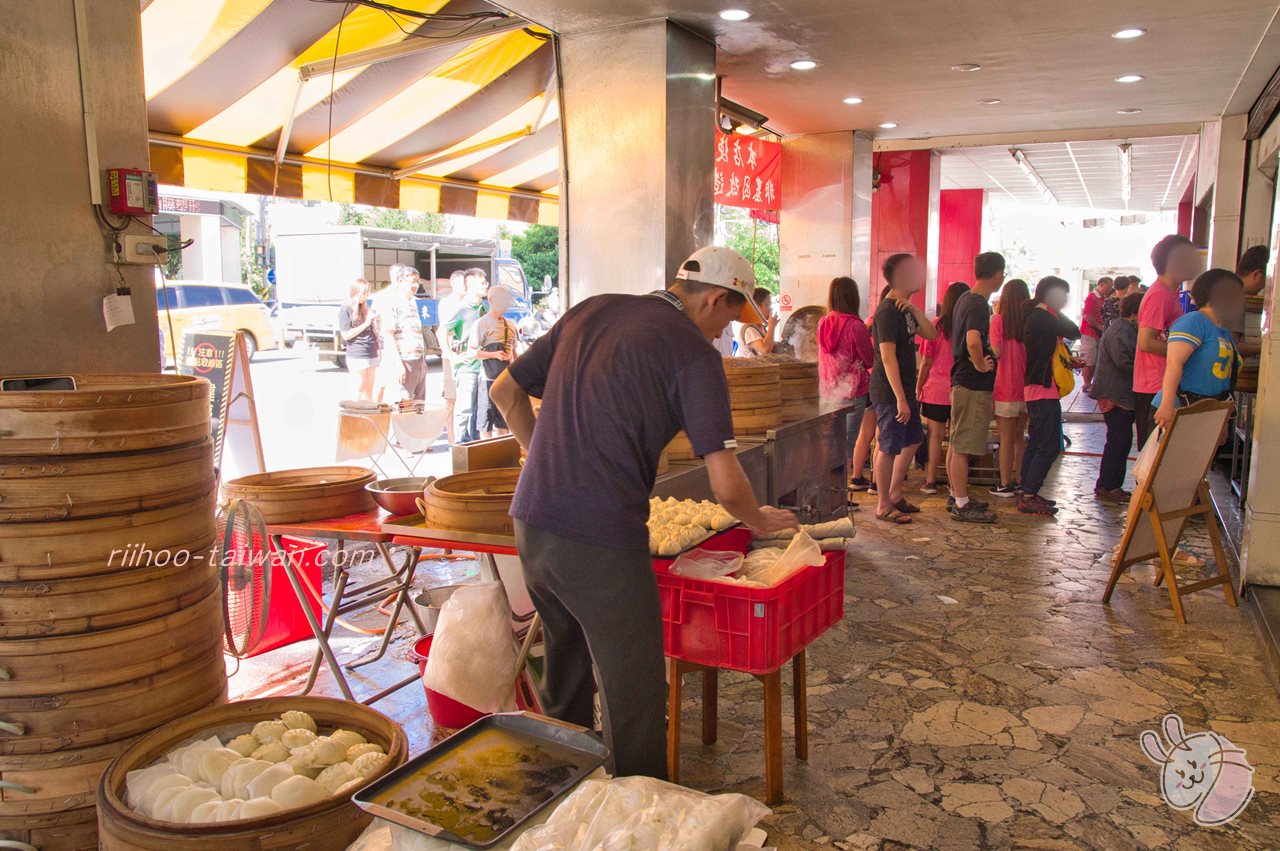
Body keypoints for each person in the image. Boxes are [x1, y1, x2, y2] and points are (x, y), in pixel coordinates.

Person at [490, 246, 799, 779]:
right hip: (600, 537)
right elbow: (726, 480)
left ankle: (561, 795)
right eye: (730, 316)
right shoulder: (693, 354)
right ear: (716, 298)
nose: (726, 330)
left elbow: (504, 391)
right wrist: (758, 519)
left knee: (565, 665)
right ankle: (637, 813)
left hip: (532, 521)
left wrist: (550, 463)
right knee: (632, 692)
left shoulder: (592, 309)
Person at [869, 254, 937, 524]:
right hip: (890, 392)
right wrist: (900, 399)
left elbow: (931, 334)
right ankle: (883, 504)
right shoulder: (886, 312)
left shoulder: (903, 308)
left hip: (904, 390)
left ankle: (895, 494)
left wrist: (913, 309)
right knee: (887, 447)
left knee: (913, 440)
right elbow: (887, 358)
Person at [947, 252, 1004, 524]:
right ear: (997, 275)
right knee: (963, 445)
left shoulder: (964, 298)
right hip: (971, 382)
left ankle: (957, 495)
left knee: (957, 441)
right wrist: (981, 363)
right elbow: (972, 340)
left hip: (961, 379)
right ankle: (961, 503)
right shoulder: (979, 304)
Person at [1019, 277, 1081, 516]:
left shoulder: (1039, 315)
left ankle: (1027, 491)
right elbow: (1074, 331)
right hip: (1041, 388)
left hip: (1040, 386)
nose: (1065, 300)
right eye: (1061, 295)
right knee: (1049, 444)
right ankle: (1028, 494)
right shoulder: (1042, 316)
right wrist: (1054, 310)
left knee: (1037, 442)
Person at [1153, 269, 1245, 429]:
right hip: (1177, 412)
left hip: (1204, 416)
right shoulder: (1193, 321)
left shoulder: (1224, 333)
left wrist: (1222, 422)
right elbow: (1174, 363)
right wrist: (1167, 406)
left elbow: (1223, 383)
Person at [1135, 235, 1199, 446]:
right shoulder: (1159, 295)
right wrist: (1185, 353)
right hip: (1154, 386)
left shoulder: (1171, 293)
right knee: (1154, 458)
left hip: (1163, 383)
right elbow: (1146, 342)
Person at [817, 276, 875, 499]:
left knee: (830, 442)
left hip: (827, 391)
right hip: (852, 392)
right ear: (853, 298)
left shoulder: (823, 323)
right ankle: (839, 495)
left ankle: (827, 491)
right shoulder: (856, 326)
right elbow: (869, 360)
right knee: (846, 445)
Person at [917, 282, 969, 494]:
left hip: (935, 391)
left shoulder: (935, 326)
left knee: (935, 437)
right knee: (956, 439)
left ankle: (930, 481)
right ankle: (953, 482)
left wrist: (919, 387)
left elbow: (926, 362)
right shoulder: (967, 327)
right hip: (960, 389)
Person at [1092, 292, 1144, 501]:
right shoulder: (1121, 330)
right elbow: (1123, 362)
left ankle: (1108, 484)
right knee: (1119, 441)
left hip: (1120, 394)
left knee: (1120, 441)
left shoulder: (1125, 328)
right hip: (1115, 394)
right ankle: (1109, 486)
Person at [989, 278, 1030, 497]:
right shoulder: (1031, 321)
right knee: (1019, 437)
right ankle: (1020, 479)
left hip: (1005, 387)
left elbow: (996, 352)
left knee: (1005, 439)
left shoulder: (998, 321)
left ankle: (1005, 483)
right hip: (1028, 389)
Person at [467, 285, 517, 438]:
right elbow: (471, 352)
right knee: (485, 418)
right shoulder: (481, 323)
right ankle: (486, 452)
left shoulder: (510, 324)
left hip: (506, 378)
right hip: (488, 378)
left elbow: (514, 351)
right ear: (491, 300)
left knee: (504, 418)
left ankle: (502, 451)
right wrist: (494, 355)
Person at [448, 268, 490, 443]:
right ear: (470, 285)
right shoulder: (461, 309)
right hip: (467, 367)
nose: (486, 285)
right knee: (465, 409)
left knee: (478, 409)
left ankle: (474, 445)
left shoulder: (484, 307)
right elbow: (443, 332)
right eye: (482, 283)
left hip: (482, 366)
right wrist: (452, 356)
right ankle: (461, 445)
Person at [383, 264, 427, 402]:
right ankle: (402, 424)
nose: (415, 285)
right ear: (401, 281)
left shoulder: (413, 302)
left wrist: (423, 361)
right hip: (404, 360)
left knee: (419, 405)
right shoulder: (392, 302)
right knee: (404, 403)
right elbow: (388, 335)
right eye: (411, 281)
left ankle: (417, 424)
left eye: (417, 281)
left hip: (418, 360)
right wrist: (398, 364)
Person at [338, 278, 379, 402]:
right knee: (358, 388)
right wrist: (366, 323)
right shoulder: (345, 309)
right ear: (355, 292)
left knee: (369, 390)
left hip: (371, 351)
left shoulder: (365, 308)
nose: (366, 296)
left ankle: (367, 417)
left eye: (368, 293)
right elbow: (345, 335)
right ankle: (352, 416)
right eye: (364, 293)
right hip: (357, 353)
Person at [437, 270, 467, 444]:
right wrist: (448, 354)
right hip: (451, 356)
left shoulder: (473, 303)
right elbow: (444, 331)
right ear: (454, 283)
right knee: (451, 399)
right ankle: (451, 440)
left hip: (468, 356)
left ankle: (465, 438)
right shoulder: (447, 304)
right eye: (463, 283)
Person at [1080, 276, 1114, 394]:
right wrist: (1099, 326)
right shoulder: (1091, 297)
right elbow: (1087, 316)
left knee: (1095, 360)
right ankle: (1087, 383)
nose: (1109, 289)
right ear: (1101, 285)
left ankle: (1091, 383)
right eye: (1108, 287)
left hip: (1097, 333)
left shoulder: (1103, 298)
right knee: (1089, 359)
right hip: (1089, 332)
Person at [740, 287, 778, 356]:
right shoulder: (749, 329)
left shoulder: (762, 327)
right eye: (768, 304)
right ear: (756, 306)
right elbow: (765, 350)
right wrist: (771, 327)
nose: (771, 309)